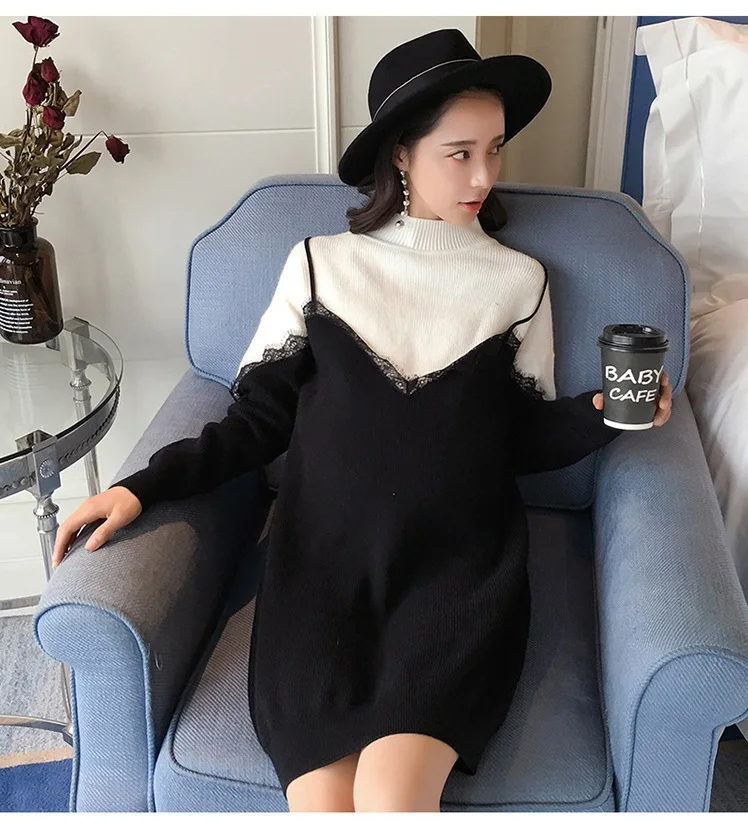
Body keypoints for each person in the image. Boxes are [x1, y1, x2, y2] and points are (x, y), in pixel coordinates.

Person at [51, 28, 673, 812]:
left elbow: (514, 439)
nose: (484, 175)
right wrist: (141, 487)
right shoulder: (322, 264)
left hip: (458, 576)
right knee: (320, 803)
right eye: (459, 153)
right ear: (401, 155)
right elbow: (255, 423)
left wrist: (603, 415)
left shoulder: (520, 282)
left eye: (495, 149)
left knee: (392, 798)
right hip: (322, 572)